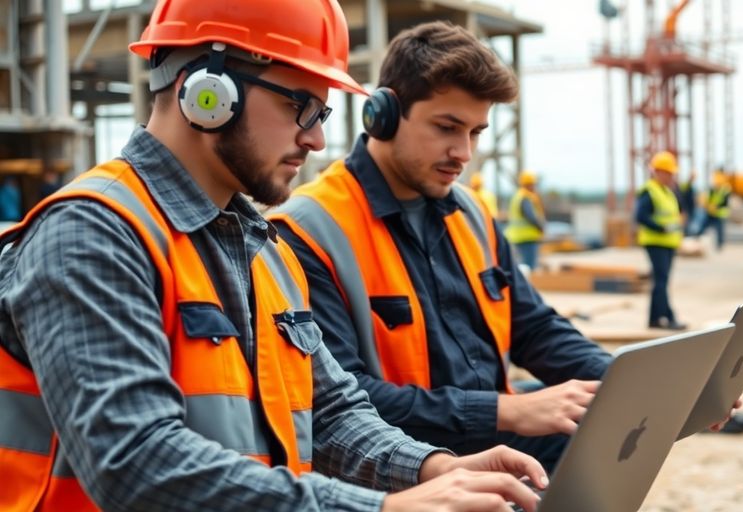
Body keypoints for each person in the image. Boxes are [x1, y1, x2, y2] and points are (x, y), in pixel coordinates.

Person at [0, 4, 548, 511]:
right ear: (206, 92)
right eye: (298, 106)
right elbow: (137, 462)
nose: (315, 139)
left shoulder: (263, 248)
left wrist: (433, 470)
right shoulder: (91, 235)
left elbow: (332, 412)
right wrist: (380, 508)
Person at [269, 21, 619, 475]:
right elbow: (340, 399)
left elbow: (532, 327)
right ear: (383, 114)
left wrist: (623, 380)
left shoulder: (472, 215)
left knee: (608, 442)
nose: (464, 152)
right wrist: (506, 411)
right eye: (447, 127)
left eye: (475, 132)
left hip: (490, 447)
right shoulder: (308, 231)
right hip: (394, 470)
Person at [636, 151, 686, 330]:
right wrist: (661, 228)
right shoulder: (649, 192)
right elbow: (640, 216)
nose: (672, 176)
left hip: (668, 243)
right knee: (661, 281)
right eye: (669, 173)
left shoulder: (667, 191)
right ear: (658, 172)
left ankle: (654, 319)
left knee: (660, 281)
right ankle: (669, 317)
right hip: (656, 242)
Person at [505, 171, 546, 269]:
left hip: (518, 237)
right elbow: (530, 216)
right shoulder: (525, 197)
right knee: (528, 267)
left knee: (522, 265)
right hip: (527, 237)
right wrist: (540, 227)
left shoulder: (518, 196)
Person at [691, 169, 731, 251]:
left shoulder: (725, 189)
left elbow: (725, 203)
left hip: (720, 214)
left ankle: (719, 246)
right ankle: (696, 239)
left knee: (720, 231)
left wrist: (716, 206)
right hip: (711, 213)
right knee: (703, 226)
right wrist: (707, 205)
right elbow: (708, 199)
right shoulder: (712, 189)